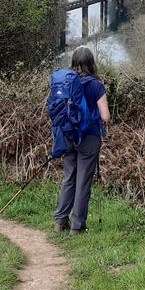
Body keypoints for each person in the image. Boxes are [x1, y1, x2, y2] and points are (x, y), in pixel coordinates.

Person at [53, 46, 110, 234]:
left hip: (69, 136)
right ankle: (78, 226)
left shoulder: (67, 82)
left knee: (69, 178)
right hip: (89, 138)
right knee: (83, 181)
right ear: (91, 62)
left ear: (74, 62)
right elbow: (105, 116)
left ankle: (60, 222)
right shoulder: (96, 85)